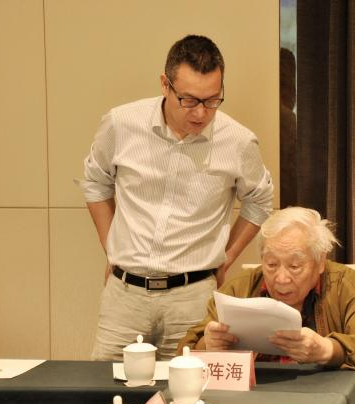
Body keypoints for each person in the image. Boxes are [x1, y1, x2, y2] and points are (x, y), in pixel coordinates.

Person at [79, 34, 274, 361]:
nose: (201, 113)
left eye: (212, 100)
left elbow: (260, 201)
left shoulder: (238, 141)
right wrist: (111, 245)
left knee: (191, 384)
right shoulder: (121, 124)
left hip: (193, 296)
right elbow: (96, 181)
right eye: (189, 100)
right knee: (106, 384)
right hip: (125, 296)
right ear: (165, 85)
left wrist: (226, 256)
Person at [178, 206, 355, 398]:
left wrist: (328, 349)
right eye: (271, 265)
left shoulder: (344, 285)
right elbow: (184, 351)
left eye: (294, 266)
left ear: (320, 262)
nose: (281, 278)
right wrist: (208, 345)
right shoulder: (240, 287)